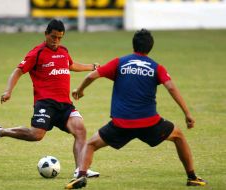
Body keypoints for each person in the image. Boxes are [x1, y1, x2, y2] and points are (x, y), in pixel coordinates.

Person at [65, 29, 207, 189]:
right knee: (179, 136)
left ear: (133, 45)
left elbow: (91, 76)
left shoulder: (120, 62)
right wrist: (187, 113)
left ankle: (81, 176)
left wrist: (80, 90)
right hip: (150, 124)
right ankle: (192, 177)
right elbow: (171, 88)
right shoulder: (156, 67)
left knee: (90, 144)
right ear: (150, 47)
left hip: (121, 124)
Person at [0, 19, 99, 178]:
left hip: (64, 104)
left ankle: (80, 170)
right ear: (46, 34)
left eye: (59, 38)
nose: (56, 41)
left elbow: (70, 64)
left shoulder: (63, 50)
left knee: (80, 129)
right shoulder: (37, 53)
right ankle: (0, 131)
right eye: (53, 37)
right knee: (36, 135)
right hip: (45, 103)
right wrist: (8, 91)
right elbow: (18, 71)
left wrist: (92, 67)